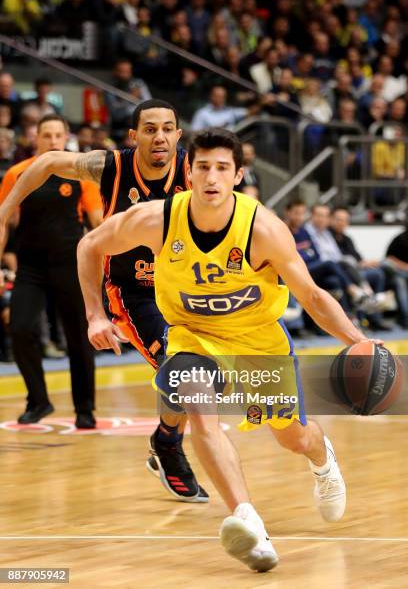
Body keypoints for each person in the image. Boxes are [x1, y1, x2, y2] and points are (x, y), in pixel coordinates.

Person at [76, 128, 379, 572]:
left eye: (222, 168)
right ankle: (247, 518)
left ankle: (322, 456)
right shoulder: (156, 219)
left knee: (292, 436)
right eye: (202, 167)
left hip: (257, 340)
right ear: (189, 173)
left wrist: (357, 340)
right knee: (199, 407)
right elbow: (89, 245)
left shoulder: (264, 229)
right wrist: (94, 315)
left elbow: (312, 296)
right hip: (192, 334)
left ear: (237, 175)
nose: (211, 177)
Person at [0, 99, 207, 504]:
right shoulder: (110, 166)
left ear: (179, 136)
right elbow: (46, 163)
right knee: (181, 368)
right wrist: (6, 209)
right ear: (134, 136)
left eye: (168, 128)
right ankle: (169, 447)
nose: (159, 136)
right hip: (133, 292)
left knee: (201, 375)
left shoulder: (194, 169)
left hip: (185, 290)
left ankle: (165, 437)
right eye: (150, 129)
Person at [0, 114, 103, 428]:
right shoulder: (18, 173)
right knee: (19, 328)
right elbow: (3, 220)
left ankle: (84, 408)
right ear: (36, 138)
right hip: (31, 266)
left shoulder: (82, 175)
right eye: (47, 135)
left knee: (79, 337)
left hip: (71, 264)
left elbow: (98, 223)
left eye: (58, 135)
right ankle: (39, 400)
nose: (53, 141)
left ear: (67, 137)